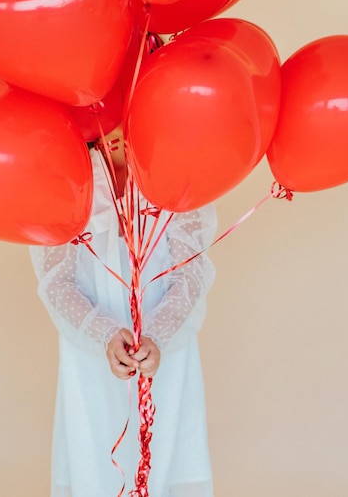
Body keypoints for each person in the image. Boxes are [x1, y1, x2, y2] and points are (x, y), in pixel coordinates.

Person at [29, 125, 217, 497]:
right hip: (90, 352)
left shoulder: (176, 172)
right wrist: (102, 334)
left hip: (166, 349)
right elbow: (57, 280)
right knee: (94, 451)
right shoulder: (64, 176)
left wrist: (158, 336)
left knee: (166, 444)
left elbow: (190, 273)